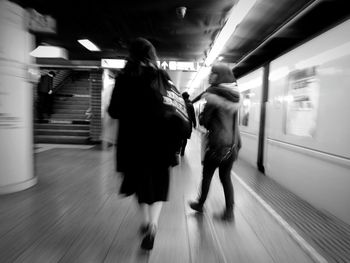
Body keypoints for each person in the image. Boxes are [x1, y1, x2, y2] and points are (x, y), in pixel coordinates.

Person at [108, 38, 179, 250]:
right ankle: (154, 225)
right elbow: (173, 108)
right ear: (152, 55)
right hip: (160, 143)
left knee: (139, 185)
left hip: (132, 144)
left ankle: (145, 222)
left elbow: (114, 111)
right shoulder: (162, 76)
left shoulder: (123, 78)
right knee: (158, 184)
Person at [189, 63, 241, 222]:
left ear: (220, 76)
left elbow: (205, 121)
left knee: (207, 176)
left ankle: (200, 204)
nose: (210, 76)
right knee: (226, 178)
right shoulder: (234, 96)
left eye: (213, 73)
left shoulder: (213, 97)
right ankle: (229, 213)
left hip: (217, 144)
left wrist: (203, 115)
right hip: (232, 145)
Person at [180, 91, 196, 156]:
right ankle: (182, 151)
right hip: (188, 124)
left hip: (180, 123)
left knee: (179, 137)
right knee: (185, 138)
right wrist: (195, 123)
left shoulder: (180, 103)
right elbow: (193, 115)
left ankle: (179, 149)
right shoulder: (191, 104)